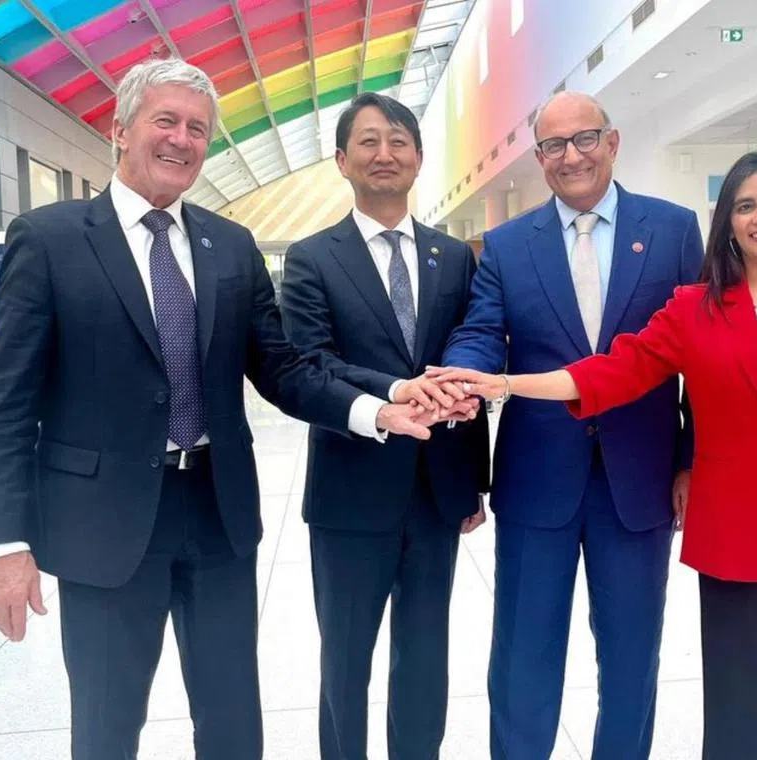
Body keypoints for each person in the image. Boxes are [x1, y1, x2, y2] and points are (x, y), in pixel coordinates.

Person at [0, 58, 434, 760]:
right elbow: (9, 401)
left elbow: (281, 368)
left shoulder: (230, 246)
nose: (182, 139)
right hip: (104, 522)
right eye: (166, 121)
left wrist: (376, 406)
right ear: (120, 129)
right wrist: (5, 544)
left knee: (232, 722)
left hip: (217, 513)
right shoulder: (50, 239)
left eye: (197, 128)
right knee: (107, 724)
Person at [433, 148, 757, 760]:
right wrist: (504, 383)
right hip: (737, 533)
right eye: (745, 206)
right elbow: (611, 372)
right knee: (744, 714)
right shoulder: (696, 309)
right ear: (727, 221)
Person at [440, 90, 701, 759]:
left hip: (640, 482)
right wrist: (462, 374)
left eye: (584, 138)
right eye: (553, 145)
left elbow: (704, 358)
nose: (571, 156)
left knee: (632, 658)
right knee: (523, 658)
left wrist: (691, 460)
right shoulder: (506, 245)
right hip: (537, 481)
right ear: (539, 158)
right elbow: (482, 332)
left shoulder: (672, 230)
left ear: (612, 142)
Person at [278, 93, 490, 760]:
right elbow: (310, 362)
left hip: (436, 493)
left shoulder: (452, 257)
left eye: (398, 141)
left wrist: (472, 481)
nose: (384, 154)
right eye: (368, 141)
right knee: (346, 661)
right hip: (350, 494)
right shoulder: (312, 258)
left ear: (419, 159)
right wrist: (396, 390)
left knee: (426, 656)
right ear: (342, 160)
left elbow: (469, 352)